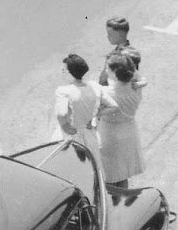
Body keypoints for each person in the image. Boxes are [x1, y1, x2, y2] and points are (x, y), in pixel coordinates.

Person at [96, 53, 145, 189]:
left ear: (115, 73)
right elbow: (139, 76)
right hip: (129, 134)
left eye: (108, 68)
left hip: (108, 137)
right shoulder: (136, 88)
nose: (105, 70)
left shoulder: (105, 92)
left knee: (108, 178)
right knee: (122, 175)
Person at [53, 54, 102, 159]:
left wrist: (65, 126)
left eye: (63, 70)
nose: (62, 73)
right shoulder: (92, 87)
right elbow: (104, 105)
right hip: (89, 134)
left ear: (70, 73)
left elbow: (61, 114)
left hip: (72, 134)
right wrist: (94, 119)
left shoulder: (64, 91)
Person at [97, 16, 142, 86]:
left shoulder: (127, 55)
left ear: (120, 35)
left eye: (110, 34)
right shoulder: (116, 51)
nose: (108, 37)